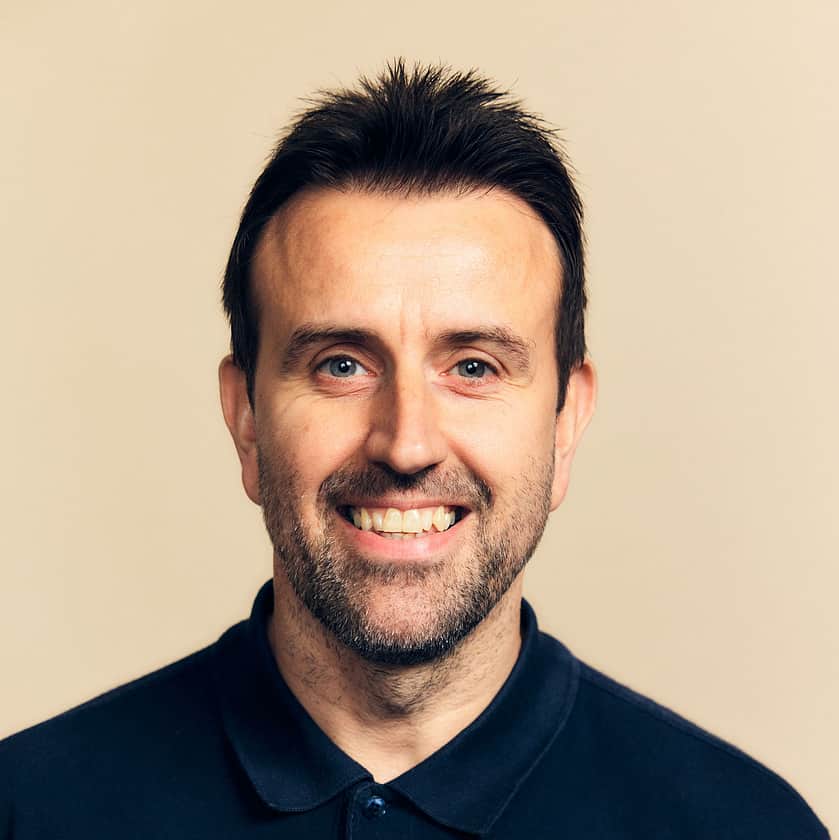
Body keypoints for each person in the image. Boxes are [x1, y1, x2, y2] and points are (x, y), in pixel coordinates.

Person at [0, 60, 829, 839]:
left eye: (473, 366)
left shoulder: (744, 825)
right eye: (341, 365)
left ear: (565, 421)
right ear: (246, 418)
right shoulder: (29, 809)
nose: (406, 443)